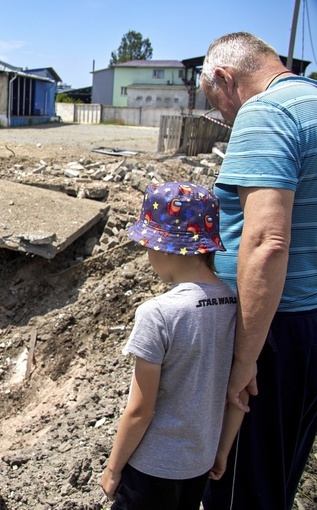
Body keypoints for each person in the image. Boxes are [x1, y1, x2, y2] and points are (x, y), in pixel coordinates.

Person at [198, 32, 317, 510]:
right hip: (307, 320)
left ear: (226, 79)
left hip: (273, 330)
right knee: (280, 468)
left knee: (242, 488)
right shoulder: (310, 102)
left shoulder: (266, 113)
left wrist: (244, 360)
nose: (225, 118)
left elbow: (267, 241)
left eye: (217, 103)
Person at [100, 181, 237, 509]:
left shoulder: (157, 314)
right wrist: (221, 451)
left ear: (165, 247)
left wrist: (112, 468)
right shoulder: (234, 304)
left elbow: (139, 410)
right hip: (199, 464)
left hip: (152, 469)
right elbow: (240, 393)